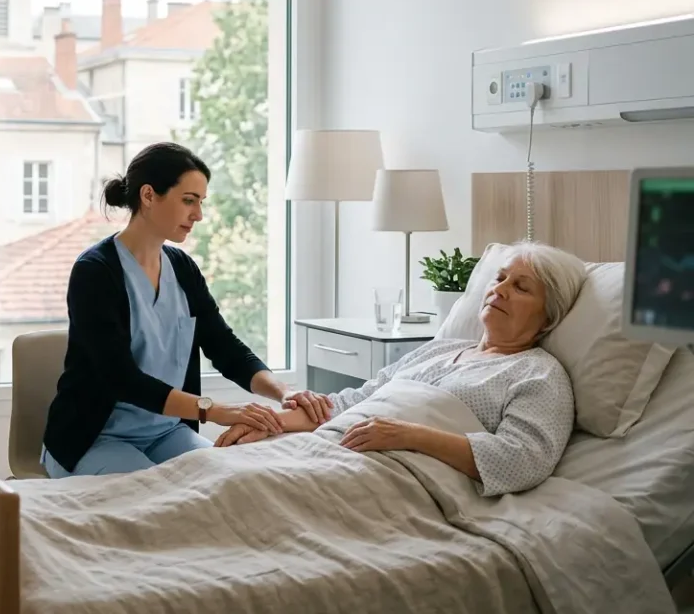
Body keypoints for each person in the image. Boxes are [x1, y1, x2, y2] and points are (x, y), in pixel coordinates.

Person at [40, 142, 328, 478]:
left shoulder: (182, 268)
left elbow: (224, 347)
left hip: (166, 433)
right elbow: (121, 378)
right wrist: (215, 411)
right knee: (159, 497)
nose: (199, 215)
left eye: (201, 202)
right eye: (189, 201)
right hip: (93, 438)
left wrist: (284, 392)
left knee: (232, 481)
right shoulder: (95, 271)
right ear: (149, 196)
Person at [217, 241, 587, 497]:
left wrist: (407, 435)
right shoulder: (440, 350)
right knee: (221, 474)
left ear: (548, 317)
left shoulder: (539, 375)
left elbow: (521, 461)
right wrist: (269, 421)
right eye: (499, 278)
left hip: (391, 477)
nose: (499, 290)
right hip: (335, 448)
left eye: (521, 287)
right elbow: (351, 402)